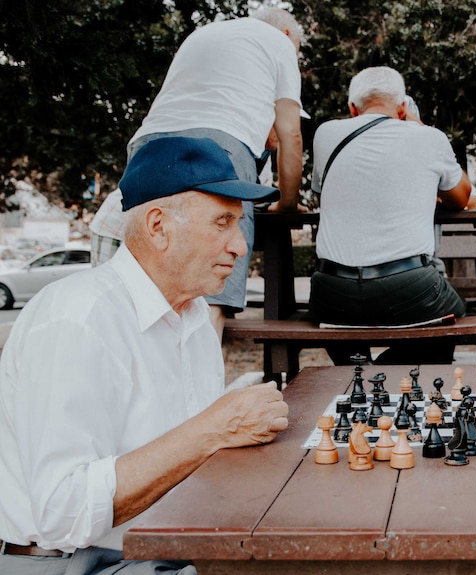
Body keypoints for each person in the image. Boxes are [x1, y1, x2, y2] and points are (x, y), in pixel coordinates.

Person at [0, 137, 290, 574]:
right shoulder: (78, 318)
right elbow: (62, 511)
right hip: (72, 563)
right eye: (222, 222)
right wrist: (214, 429)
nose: (240, 245)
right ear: (158, 227)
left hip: (162, 549)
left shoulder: (192, 317)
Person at [96, 7, 306, 341]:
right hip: (219, 146)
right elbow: (290, 134)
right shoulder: (278, 43)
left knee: (147, 285)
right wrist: (289, 203)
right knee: (213, 285)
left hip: (148, 144)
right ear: (286, 36)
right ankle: (202, 390)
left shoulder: (206, 34)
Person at [308, 66, 472, 365]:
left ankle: (355, 366)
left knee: (336, 311)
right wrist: (419, 125)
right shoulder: (428, 137)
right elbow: (461, 198)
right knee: (454, 315)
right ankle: (383, 371)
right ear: (402, 109)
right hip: (408, 286)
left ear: (352, 109)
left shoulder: (325, 134)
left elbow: (324, 192)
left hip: (332, 292)